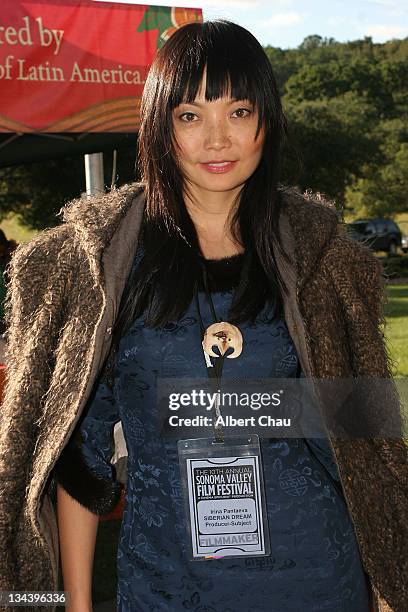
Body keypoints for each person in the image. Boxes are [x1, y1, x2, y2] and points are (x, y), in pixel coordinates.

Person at [0, 19, 406, 612]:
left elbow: (367, 446)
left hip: (318, 582)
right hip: (166, 589)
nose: (217, 139)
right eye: (190, 116)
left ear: (268, 118)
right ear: (159, 127)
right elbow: (77, 458)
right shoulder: (97, 264)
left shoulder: (326, 263)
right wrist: (77, 606)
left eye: (239, 111)